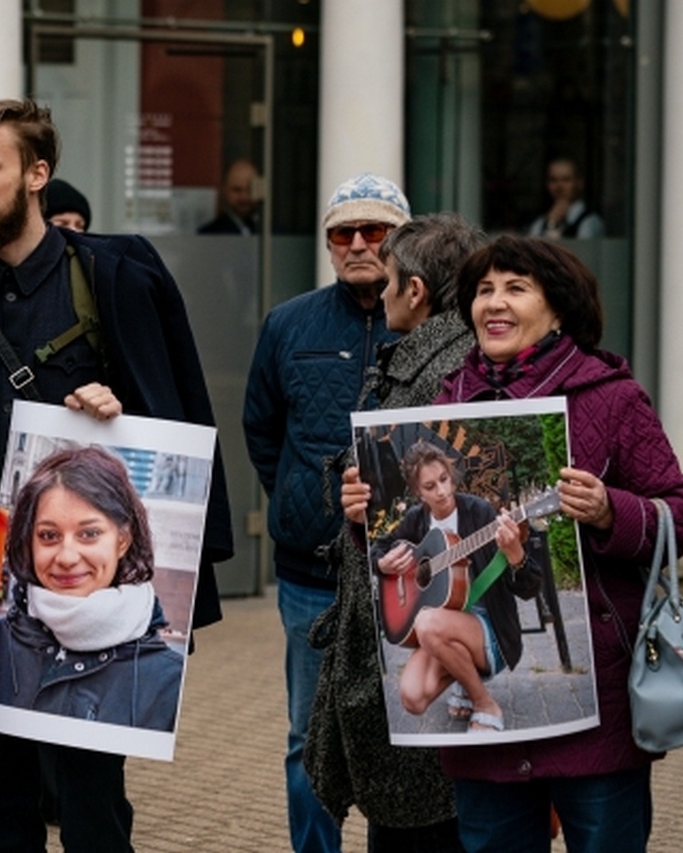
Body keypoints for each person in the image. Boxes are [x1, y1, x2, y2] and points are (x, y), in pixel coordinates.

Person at [0, 98, 232, 852]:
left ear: (37, 175)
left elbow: (168, 418)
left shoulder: (112, 280)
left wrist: (118, 406)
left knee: (92, 811)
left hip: (80, 599)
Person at [418, 235, 683, 852]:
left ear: (560, 309)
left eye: (516, 288)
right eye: (484, 290)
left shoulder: (613, 398)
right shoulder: (445, 404)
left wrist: (608, 511)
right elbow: (418, 525)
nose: (494, 302)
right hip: (489, 706)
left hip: (593, 704)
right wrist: (365, 520)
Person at [243, 171, 409, 853]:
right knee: (309, 738)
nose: (360, 244)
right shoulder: (288, 322)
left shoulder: (436, 327)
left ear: (403, 238)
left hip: (410, 574)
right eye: (344, 233)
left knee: (401, 738)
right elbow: (261, 429)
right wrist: (300, 500)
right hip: (312, 573)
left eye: (377, 231)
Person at [309, 212, 486, 852]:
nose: (379, 294)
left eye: (388, 280)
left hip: (418, 632)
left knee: (419, 823)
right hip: (403, 611)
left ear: (415, 291)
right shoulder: (432, 361)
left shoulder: (443, 376)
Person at [0, 445, 184, 730]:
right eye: (49, 535)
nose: (67, 557)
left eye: (89, 534)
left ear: (123, 540)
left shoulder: (166, 678)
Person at [369, 441, 542, 732]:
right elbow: (379, 549)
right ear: (417, 493)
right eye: (430, 486)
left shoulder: (480, 513)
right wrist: (382, 564)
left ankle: (484, 703)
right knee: (412, 698)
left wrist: (516, 555)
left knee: (425, 622)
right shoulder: (417, 520)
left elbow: (530, 589)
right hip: (441, 627)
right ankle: (463, 677)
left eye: (444, 479)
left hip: (490, 631)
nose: (442, 491)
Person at [527, 157, 604, 240]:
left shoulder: (590, 221)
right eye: (553, 180)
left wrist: (553, 225)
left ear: (580, 183)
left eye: (566, 180)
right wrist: (551, 223)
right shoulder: (540, 222)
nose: (559, 186)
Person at [198, 158, 260, 235]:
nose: (244, 197)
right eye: (236, 190)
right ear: (224, 190)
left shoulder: (273, 233)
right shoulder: (209, 234)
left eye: (249, 190)